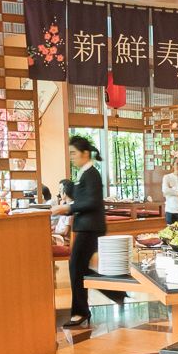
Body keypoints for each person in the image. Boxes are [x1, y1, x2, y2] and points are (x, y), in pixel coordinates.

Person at [52, 136, 123, 328]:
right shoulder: (84, 173)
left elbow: (92, 202)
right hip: (86, 227)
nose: (72, 157)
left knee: (76, 268)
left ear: (84, 153)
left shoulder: (92, 174)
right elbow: (82, 199)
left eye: (74, 153)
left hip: (90, 228)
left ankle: (82, 311)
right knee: (79, 268)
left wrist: (67, 208)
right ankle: (116, 292)